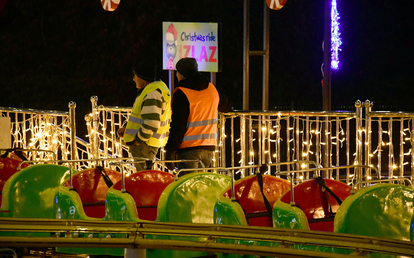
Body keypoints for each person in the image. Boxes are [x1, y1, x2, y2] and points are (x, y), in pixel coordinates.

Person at [164, 57, 232, 176]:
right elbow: (227, 106)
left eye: (177, 71)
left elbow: (178, 126)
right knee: (199, 188)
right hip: (208, 149)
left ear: (183, 75)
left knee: (188, 189)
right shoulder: (212, 89)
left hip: (188, 150)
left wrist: (170, 150)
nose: (176, 74)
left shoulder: (181, 93)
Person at [117, 58, 171, 171]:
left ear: (143, 78)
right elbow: (143, 117)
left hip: (144, 145)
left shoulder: (152, 94)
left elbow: (151, 123)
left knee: (144, 178)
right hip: (146, 144)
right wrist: (127, 129)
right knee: (145, 177)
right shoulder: (156, 90)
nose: (133, 79)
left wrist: (138, 140)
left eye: (135, 76)